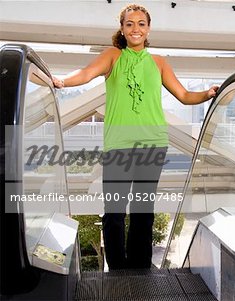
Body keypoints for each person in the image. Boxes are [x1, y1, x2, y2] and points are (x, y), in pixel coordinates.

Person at [53, 4, 218, 270]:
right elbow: (85, 74)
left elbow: (185, 96)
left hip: (152, 145)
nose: (136, 29)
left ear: (148, 28)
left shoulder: (159, 62)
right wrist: (62, 81)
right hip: (119, 145)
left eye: (141, 24)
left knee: (143, 212)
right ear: (122, 28)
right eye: (130, 24)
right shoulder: (113, 56)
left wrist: (207, 94)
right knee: (114, 213)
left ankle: (140, 269)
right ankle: (118, 270)